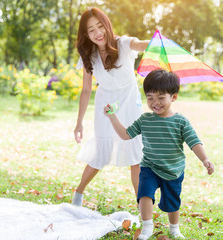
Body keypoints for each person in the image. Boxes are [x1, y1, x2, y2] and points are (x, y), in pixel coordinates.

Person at [103, 69, 215, 239]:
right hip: (150, 167)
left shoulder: (180, 121)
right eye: (150, 98)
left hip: (173, 170)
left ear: (174, 97)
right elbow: (126, 135)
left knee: (172, 202)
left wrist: (205, 159)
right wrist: (112, 117)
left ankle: (174, 228)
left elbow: (194, 142)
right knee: (144, 195)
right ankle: (147, 227)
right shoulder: (145, 120)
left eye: (161, 98)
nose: (155, 102)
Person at [71, 7, 150, 206]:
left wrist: (157, 43)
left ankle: (142, 207)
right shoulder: (89, 55)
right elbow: (86, 90)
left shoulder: (123, 44)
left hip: (130, 103)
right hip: (106, 107)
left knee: (136, 157)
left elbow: (141, 45)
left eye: (100, 26)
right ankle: (78, 193)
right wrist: (79, 123)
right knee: (101, 153)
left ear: (107, 25)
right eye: (91, 30)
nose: (97, 33)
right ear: (86, 34)